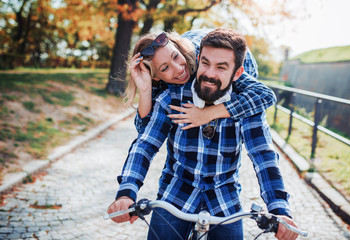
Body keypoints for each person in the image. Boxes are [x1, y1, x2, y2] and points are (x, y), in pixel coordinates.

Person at [107, 28, 298, 240]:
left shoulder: (245, 101)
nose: (209, 73)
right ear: (198, 60)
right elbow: (145, 143)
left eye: (221, 67)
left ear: (236, 73)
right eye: (205, 63)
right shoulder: (172, 93)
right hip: (176, 191)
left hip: (224, 196)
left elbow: (264, 155)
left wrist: (279, 208)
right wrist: (126, 191)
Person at [125, 29, 276, 132]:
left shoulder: (207, 62)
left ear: (178, 49)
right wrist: (144, 90)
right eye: (165, 68)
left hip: (244, 62)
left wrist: (208, 114)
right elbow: (143, 129)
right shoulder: (157, 79)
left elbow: (265, 96)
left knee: (235, 111)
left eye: (176, 56)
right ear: (155, 76)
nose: (178, 69)